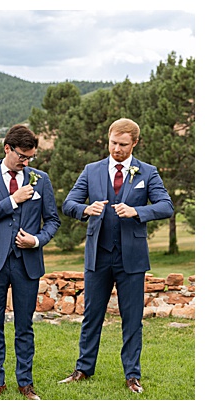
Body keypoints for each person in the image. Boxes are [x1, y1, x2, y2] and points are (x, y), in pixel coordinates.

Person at [58, 118, 172, 394]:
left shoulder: (148, 172)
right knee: (91, 315)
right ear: (107, 140)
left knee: (132, 318)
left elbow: (166, 206)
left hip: (131, 258)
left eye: (123, 145)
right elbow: (68, 203)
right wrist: (86, 209)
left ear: (134, 143)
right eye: (113, 143)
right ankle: (84, 369)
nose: (117, 149)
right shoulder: (91, 170)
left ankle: (132, 375)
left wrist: (138, 212)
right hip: (98, 255)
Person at [0, 125, 59, 400]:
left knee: (25, 326)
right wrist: (12, 200)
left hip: (27, 263)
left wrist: (36, 240)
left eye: (30, 157)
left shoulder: (40, 179)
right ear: (7, 148)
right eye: (22, 156)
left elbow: (53, 220)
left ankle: (26, 382)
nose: (27, 162)